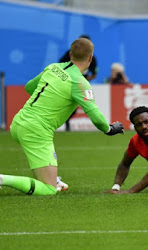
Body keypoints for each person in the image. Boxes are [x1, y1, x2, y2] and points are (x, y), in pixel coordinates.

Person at [0, 37, 124, 196]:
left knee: (47, 168)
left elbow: (29, 87)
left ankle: (53, 176)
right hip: (36, 131)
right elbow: (95, 114)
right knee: (48, 190)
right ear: (90, 58)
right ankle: (3, 179)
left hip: (18, 122)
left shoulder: (52, 67)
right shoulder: (80, 82)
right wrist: (110, 129)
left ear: (70, 54)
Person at [60, 34, 99, 131]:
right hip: (67, 82)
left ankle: (67, 121)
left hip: (80, 84)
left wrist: (84, 81)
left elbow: (94, 73)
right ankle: (64, 122)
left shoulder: (93, 59)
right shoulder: (69, 54)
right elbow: (61, 65)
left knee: (76, 106)